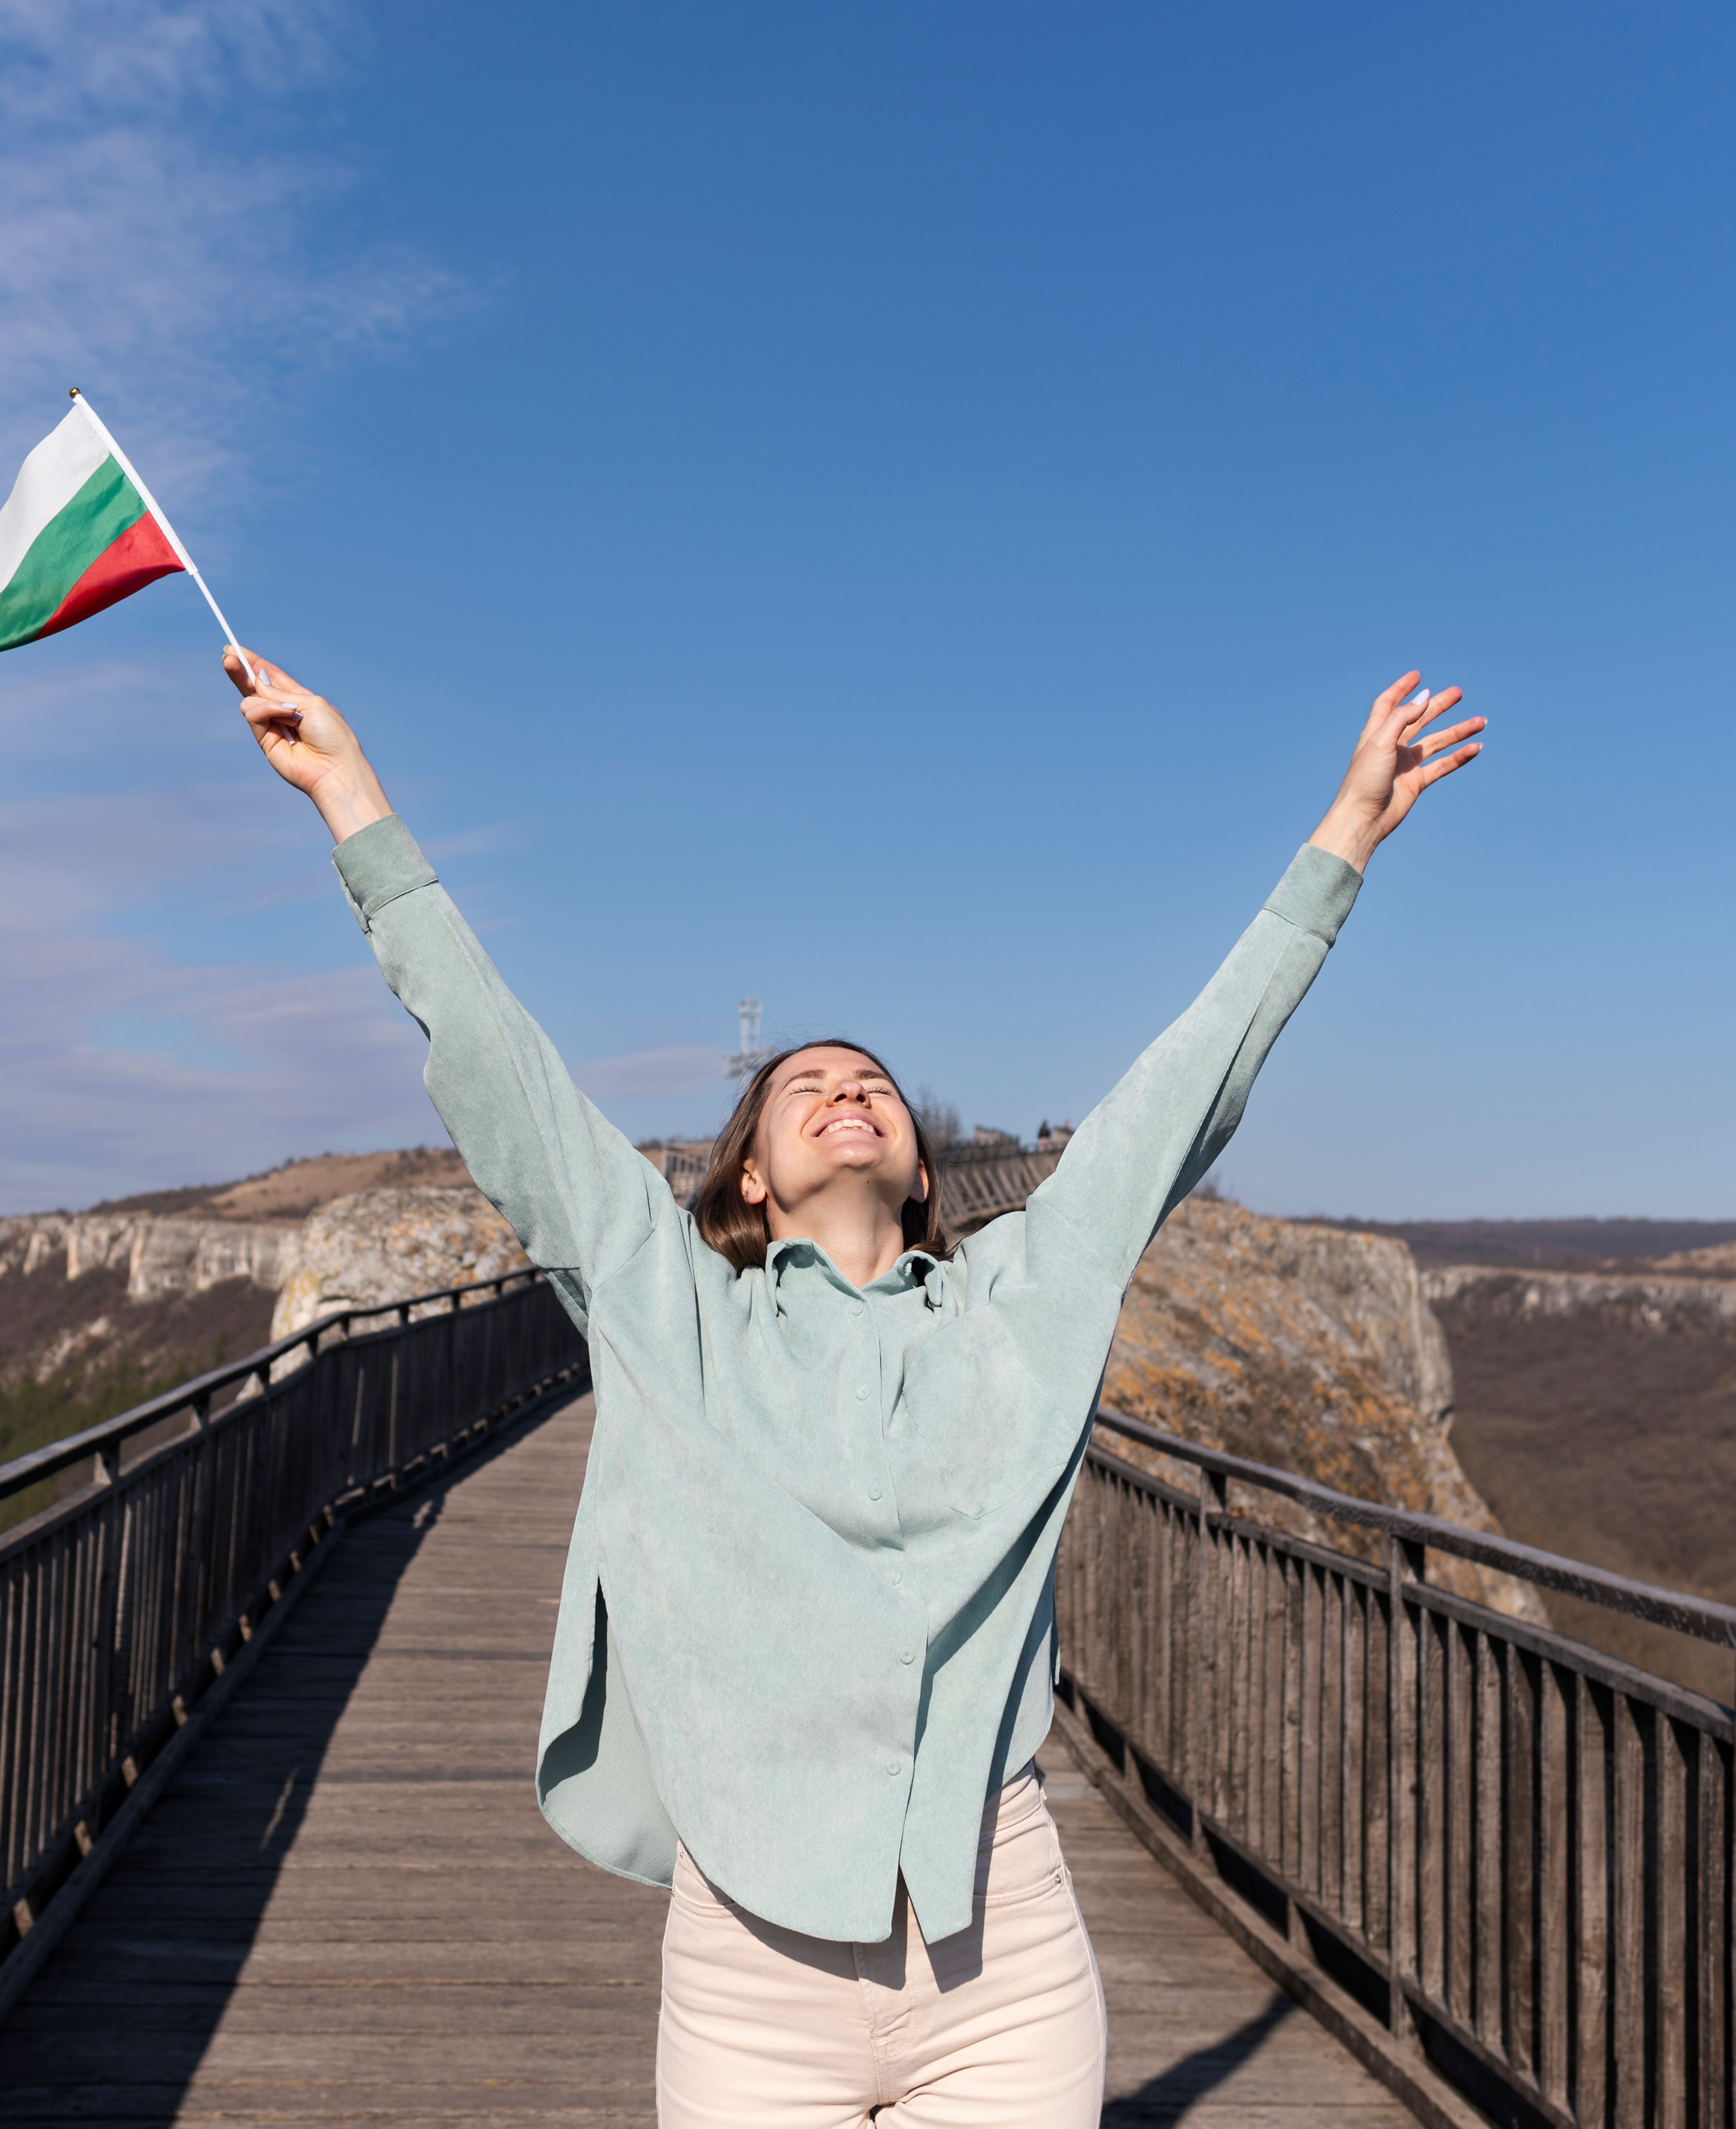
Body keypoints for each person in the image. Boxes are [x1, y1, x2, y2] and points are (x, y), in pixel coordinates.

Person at [231, 650, 1482, 2128]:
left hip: (997, 1954)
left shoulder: (1027, 1294)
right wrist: (355, 803)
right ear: (748, 1177)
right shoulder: (671, 1306)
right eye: (800, 1085)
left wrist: (1339, 844)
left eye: (870, 1081)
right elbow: (501, 1069)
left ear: (917, 1162)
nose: (844, 1086)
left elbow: (1187, 1084)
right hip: (747, 1981)